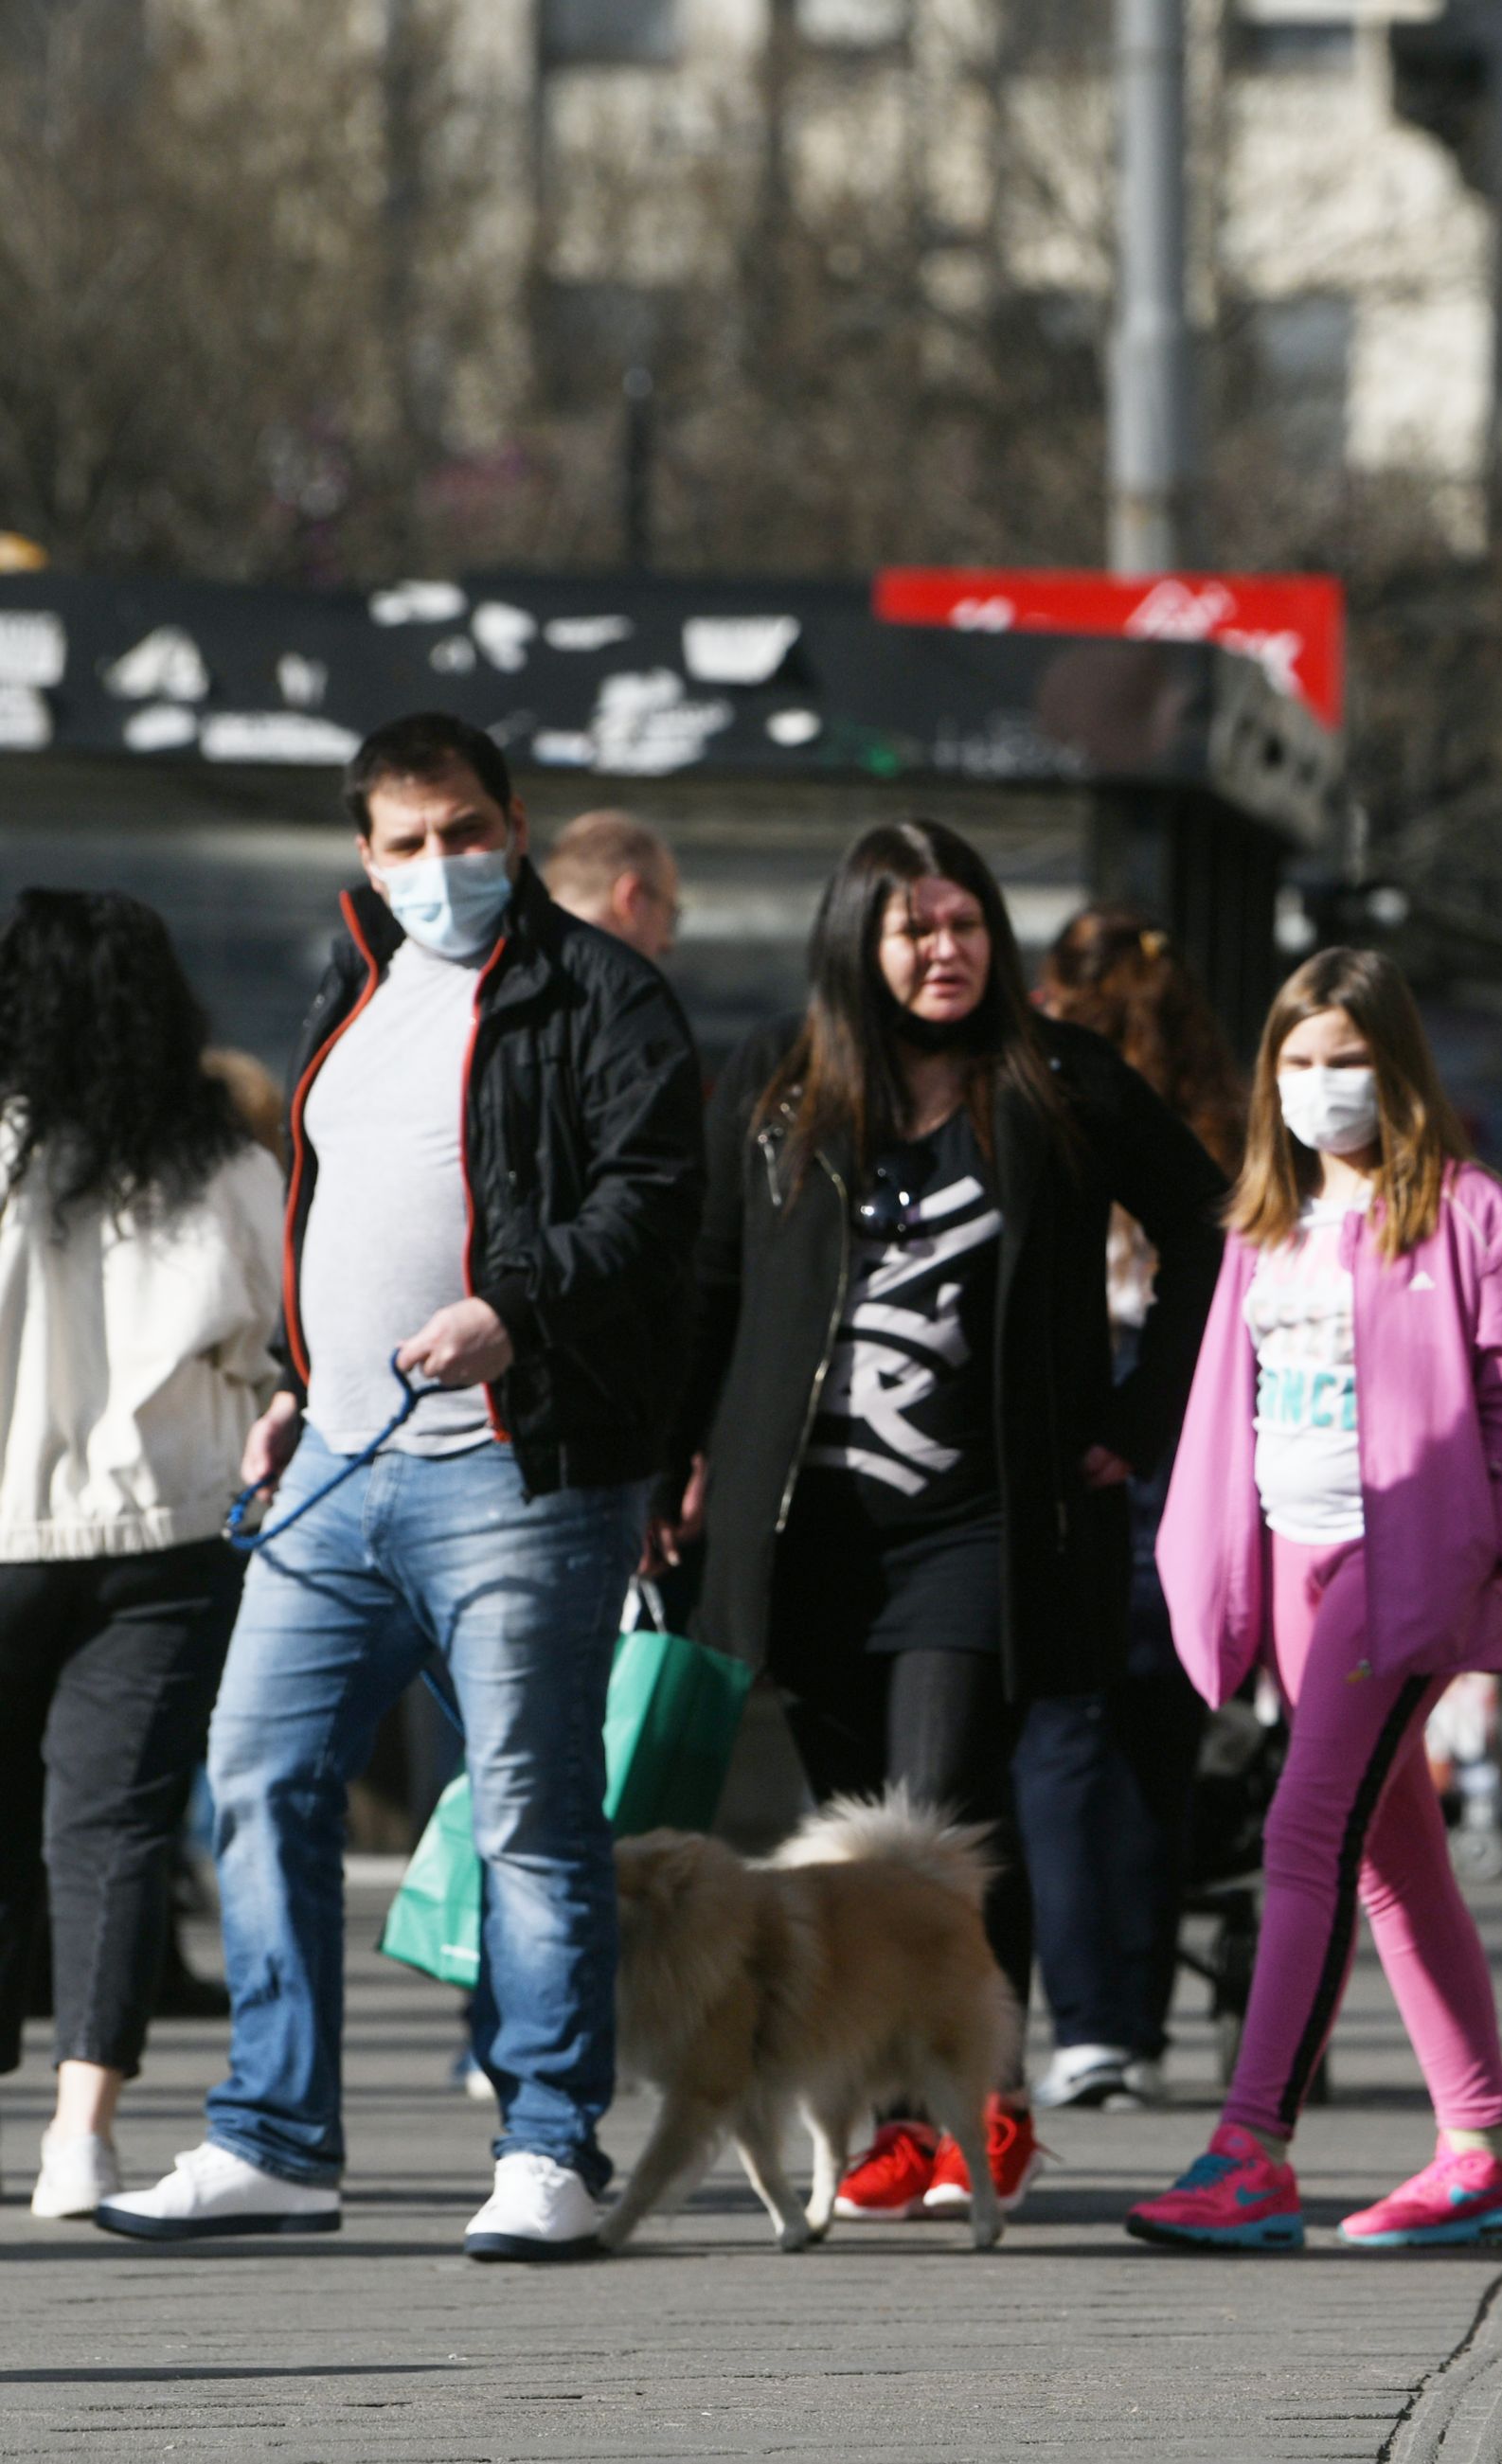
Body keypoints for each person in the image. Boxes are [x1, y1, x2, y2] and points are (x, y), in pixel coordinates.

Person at [98, 713, 703, 2260]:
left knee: (531, 1811)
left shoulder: (603, 995)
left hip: (519, 1468)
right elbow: (336, 1213)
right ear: (366, 855)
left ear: (515, 821)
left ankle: (551, 2142)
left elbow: (655, 1205)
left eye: (467, 832)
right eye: (409, 842)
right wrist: (302, 1388)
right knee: (256, 1775)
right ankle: (280, 2137)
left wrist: (521, 1302)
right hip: (334, 1477)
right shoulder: (352, 990)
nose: (444, 867)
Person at [670, 823, 1227, 2226]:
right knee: (856, 1828)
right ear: (859, 938)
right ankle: (902, 2109)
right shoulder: (778, 1082)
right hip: (810, 1529)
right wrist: (673, 1466)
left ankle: (970, 2105)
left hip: (981, 1526)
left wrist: (1140, 1412)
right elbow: (713, 1288)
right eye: (915, 927)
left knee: (938, 1818)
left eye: (966, 922)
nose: (944, 950)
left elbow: (1209, 1226)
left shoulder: (1056, 1077)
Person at [1126, 946, 1502, 2251]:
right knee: (1389, 1858)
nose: (1320, 1086)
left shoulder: (1469, 1212)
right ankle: (1484, 2149)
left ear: (1397, 1064)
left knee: (1304, 1835)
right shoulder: (1267, 1224)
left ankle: (1252, 2145)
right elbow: (1224, 1408)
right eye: (1297, 1062)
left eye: (1345, 1059)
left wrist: (1476, 1536)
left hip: (1398, 1561)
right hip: (1294, 1557)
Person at [0, 894, 283, 2218]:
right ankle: (81, 2132)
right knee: (111, 1829)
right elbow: (276, 1339)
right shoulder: (221, 1163)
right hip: (170, 1531)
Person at [1019, 906, 1243, 2110]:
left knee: (1063, 1734)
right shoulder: (1219, 1123)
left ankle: (1090, 2022)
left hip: (1087, 1419)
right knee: (1161, 1737)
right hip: (1188, 1433)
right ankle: (1141, 2021)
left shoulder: (1059, 1094)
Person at [535, 810, 682, 964]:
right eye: (670, 918)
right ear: (632, 898)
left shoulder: (515, 966)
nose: (667, 943)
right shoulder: (627, 983)